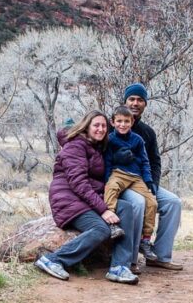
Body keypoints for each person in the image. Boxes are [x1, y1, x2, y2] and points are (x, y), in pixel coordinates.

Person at [35, 110, 143, 284]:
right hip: (68, 200)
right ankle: (54, 259)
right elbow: (78, 183)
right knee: (102, 229)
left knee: (126, 208)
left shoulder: (95, 146)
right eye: (96, 125)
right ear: (86, 126)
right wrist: (104, 210)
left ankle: (119, 267)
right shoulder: (75, 145)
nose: (101, 129)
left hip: (84, 198)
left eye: (104, 126)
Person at [119, 83, 184, 270]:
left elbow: (155, 162)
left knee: (173, 202)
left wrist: (153, 186)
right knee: (138, 203)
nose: (135, 103)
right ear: (125, 101)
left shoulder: (147, 132)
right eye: (131, 99)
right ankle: (130, 261)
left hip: (143, 182)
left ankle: (160, 256)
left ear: (145, 104)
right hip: (120, 184)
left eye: (140, 100)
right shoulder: (113, 125)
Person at [102, 106, 158, 261]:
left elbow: (146, 162)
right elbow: (107, 160)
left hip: (136, 177)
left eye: (126, 121)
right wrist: (107, 179)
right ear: (112, 122)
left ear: (132, 122)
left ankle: (145, 240)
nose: (123, 124)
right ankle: (112, 224)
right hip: (118, 173)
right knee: (111, 189)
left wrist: (148, 180)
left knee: (152, 202)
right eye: (119, 121)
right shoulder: (111, 139)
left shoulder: (138, 140)